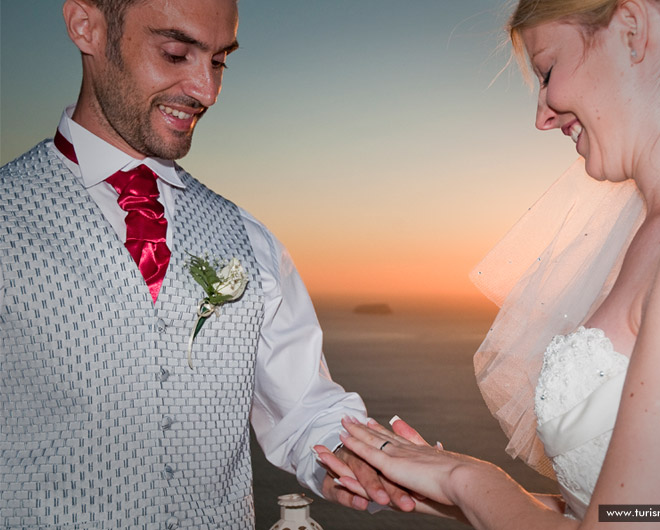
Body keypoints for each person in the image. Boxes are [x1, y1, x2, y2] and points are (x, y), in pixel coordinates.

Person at [317, 0, 660, 528]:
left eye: (547, 71)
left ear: (633, 28)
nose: (542, 115)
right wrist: (445, 482)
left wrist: (472, 481)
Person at [0, 0, 414, 527]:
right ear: (87, 27)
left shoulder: (249, 236)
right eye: (176, 54)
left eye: (219, 61)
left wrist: (352, 455)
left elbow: (303, 408)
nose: (207, 91)